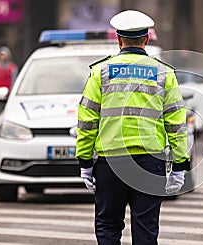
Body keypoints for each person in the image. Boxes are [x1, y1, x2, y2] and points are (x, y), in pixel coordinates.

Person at [76, 10, 190, 245]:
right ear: (146, 39)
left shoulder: (100, 73)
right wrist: (180, 165)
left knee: (108, 226)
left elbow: (87, 122)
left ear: (119, 40)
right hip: (150, 161)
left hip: (111, 162)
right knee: (146, 230)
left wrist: (85, 162)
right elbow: (176, 124)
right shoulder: (164, 73)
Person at [0, 46, 18, 121]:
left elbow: (14, 80)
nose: (2, 57)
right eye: (1, 55)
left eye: (4, 55)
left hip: (8, 94)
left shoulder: (12, 68)